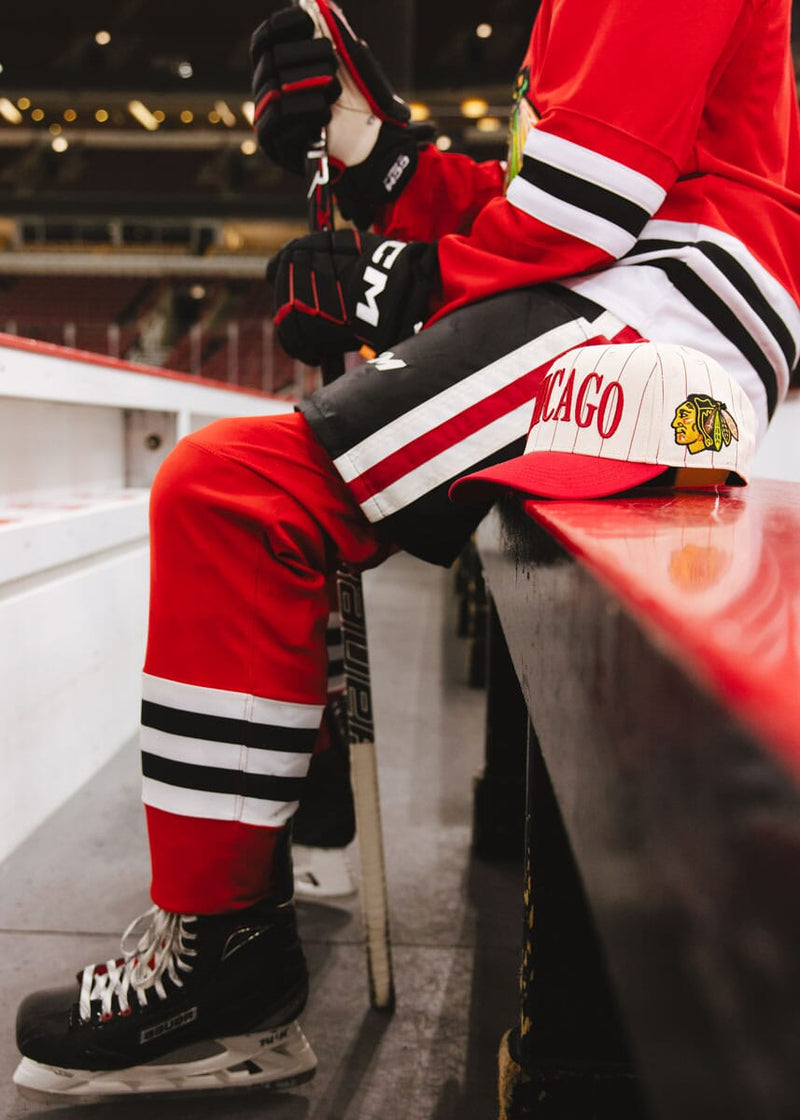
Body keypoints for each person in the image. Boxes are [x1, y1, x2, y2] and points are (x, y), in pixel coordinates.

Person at [13, 0, 800, 1098]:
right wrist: (378, 156)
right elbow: (553, 197)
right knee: (239, 489)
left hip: (659, 315)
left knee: (231, 493)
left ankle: (227, 956)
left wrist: (390, 284)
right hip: (650, 296)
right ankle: (279, 838)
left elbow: (584, 204)